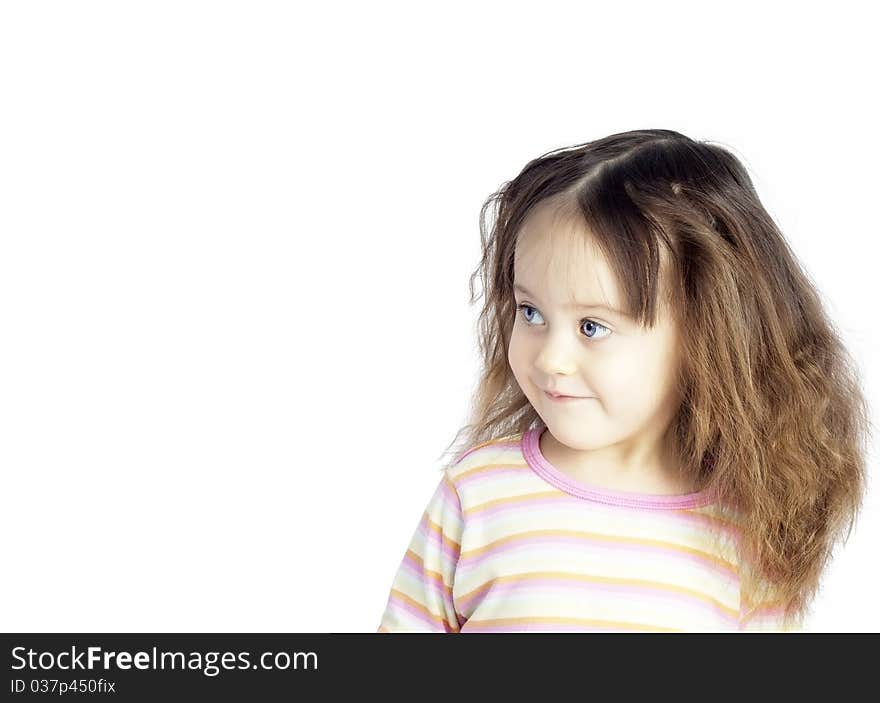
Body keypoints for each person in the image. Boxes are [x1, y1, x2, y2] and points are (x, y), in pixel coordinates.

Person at [376, 129, 871, 632]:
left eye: (593, 326)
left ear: (706, 333)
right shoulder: (479, 494)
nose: (551, 358)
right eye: (531, 312)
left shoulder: (748, 531)